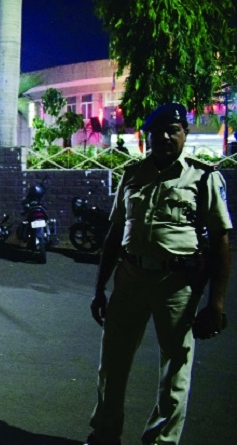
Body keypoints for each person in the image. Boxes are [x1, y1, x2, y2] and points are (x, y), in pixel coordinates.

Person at [86, 103, 232, 445]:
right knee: (113, 361)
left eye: (173, 130)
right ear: (147, 136)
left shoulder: (204, 177)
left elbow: (221, 243)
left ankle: (161, 440)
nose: (164, 137)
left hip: (177, 284)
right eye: (157, 132)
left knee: (176, 368)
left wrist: (216, 303)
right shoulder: (132, 175)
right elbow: (114, 235)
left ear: (185, 134)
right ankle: (105, 433)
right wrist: (99, 288)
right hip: (130, 277)